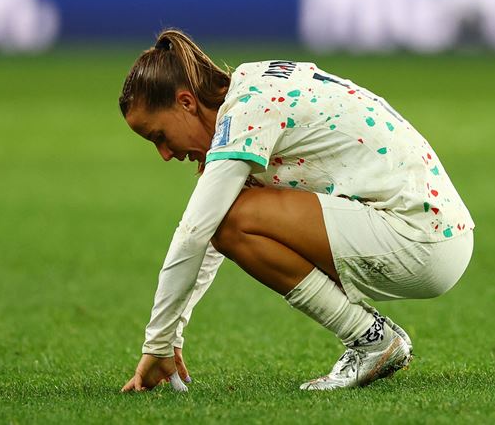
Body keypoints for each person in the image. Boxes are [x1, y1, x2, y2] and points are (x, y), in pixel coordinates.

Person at [118, 29, 475, 392]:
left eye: (158, 136)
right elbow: (209, 231)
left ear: (186, 103)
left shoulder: (246, 115)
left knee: (232, 219)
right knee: (229, 215)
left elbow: (196, 231)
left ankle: (370, 340)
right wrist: (171, 333)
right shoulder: (248, 88)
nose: (165, 154)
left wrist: (158, 343)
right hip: (438, 229)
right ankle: (374, 338)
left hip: (421, 240)